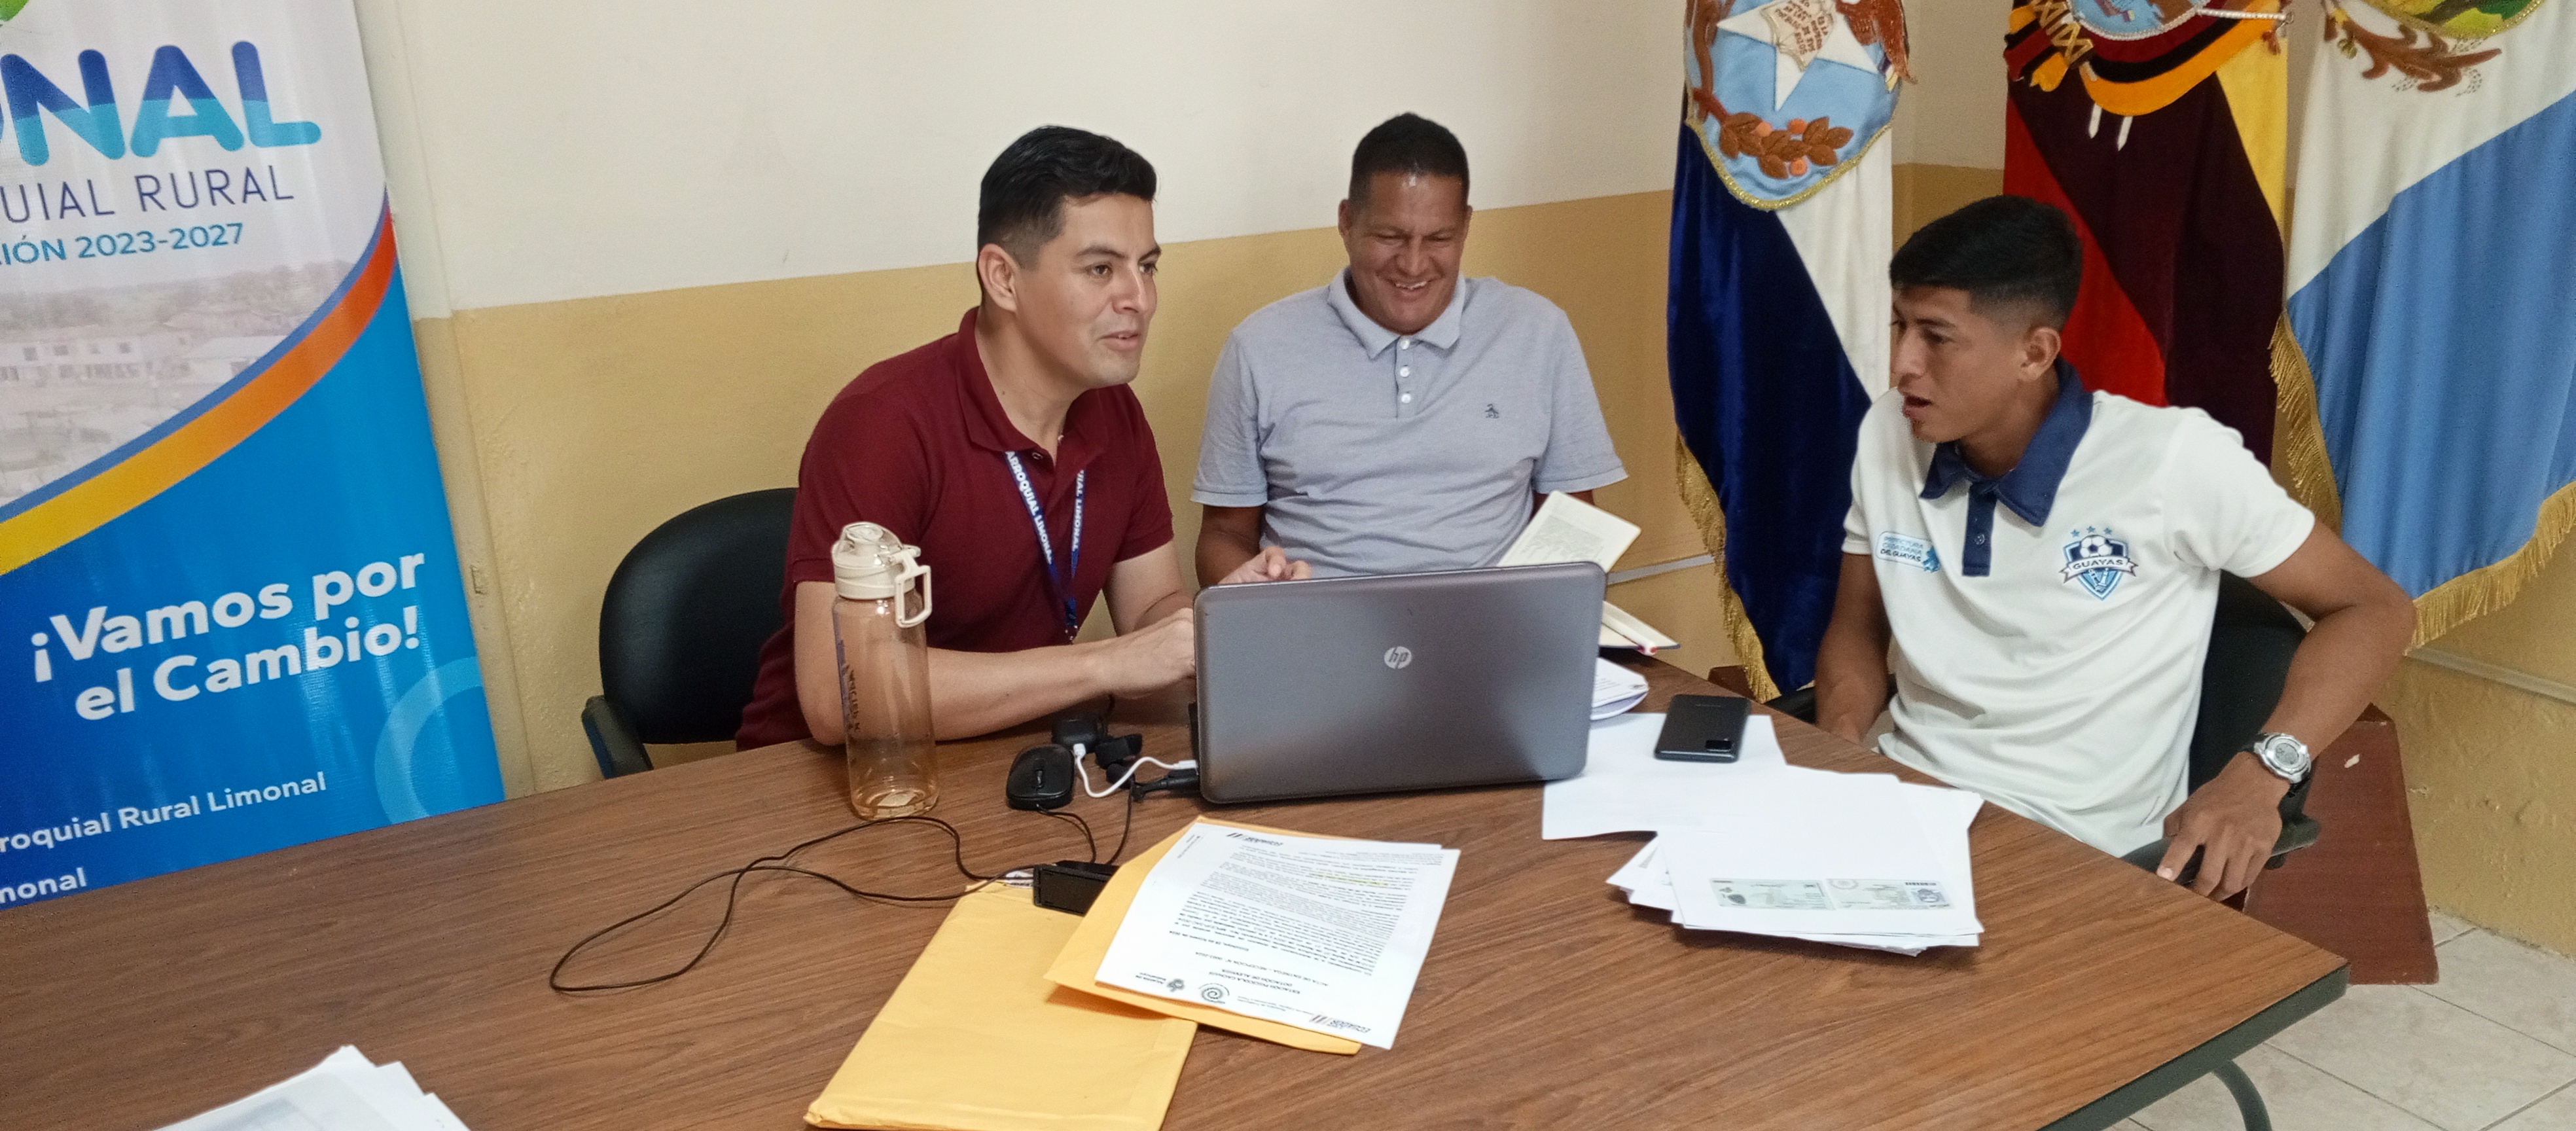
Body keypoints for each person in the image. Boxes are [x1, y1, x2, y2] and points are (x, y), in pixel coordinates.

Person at [1815, 196, 2414, 900]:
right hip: (1899, 808)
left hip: (2074, 856)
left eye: (1936, 338)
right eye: (1900, 325)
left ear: (2034, 352)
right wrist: (1842, 754)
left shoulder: (2173, 461)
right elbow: (1857, 626)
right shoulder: (1891, 430)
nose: (1901, 366)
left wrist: (2263, 774)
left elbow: (2376, 608)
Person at [736, 126, 1302, 748]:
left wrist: (1217, 626)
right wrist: (1106, 664)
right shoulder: (881, 424)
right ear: (1003, 278)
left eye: (1146, 267)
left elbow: (1150, 607)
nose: (1140, 299)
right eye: (1100, 269)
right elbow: (838, 696)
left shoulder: (1114, 411)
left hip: (1009, 754)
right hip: (834, 774)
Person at [1192, 113, 1627, 583]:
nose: (1414, 265)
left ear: (1465, 226)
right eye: (1390, 237)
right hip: (1316, 617)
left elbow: (1573, 521)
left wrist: (1545, 611)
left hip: (1495, 621)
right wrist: (1258, 593)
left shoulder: (1538, 332)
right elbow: (1224, 533)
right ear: (1346, 222)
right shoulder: (1259, 348)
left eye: (1439, 238)